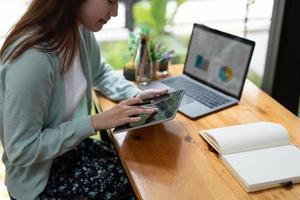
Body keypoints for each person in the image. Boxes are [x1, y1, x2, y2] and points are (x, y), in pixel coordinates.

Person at [0, 0, 167, 199]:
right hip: (40, 178)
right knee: (141, 186)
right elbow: (22, 149)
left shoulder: (77, 29)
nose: (114, 12)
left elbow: (100, 72)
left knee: (143, 168)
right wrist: (95, 122)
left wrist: (134, 94)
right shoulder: (32, 59)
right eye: (110, 1)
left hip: (70, 151)